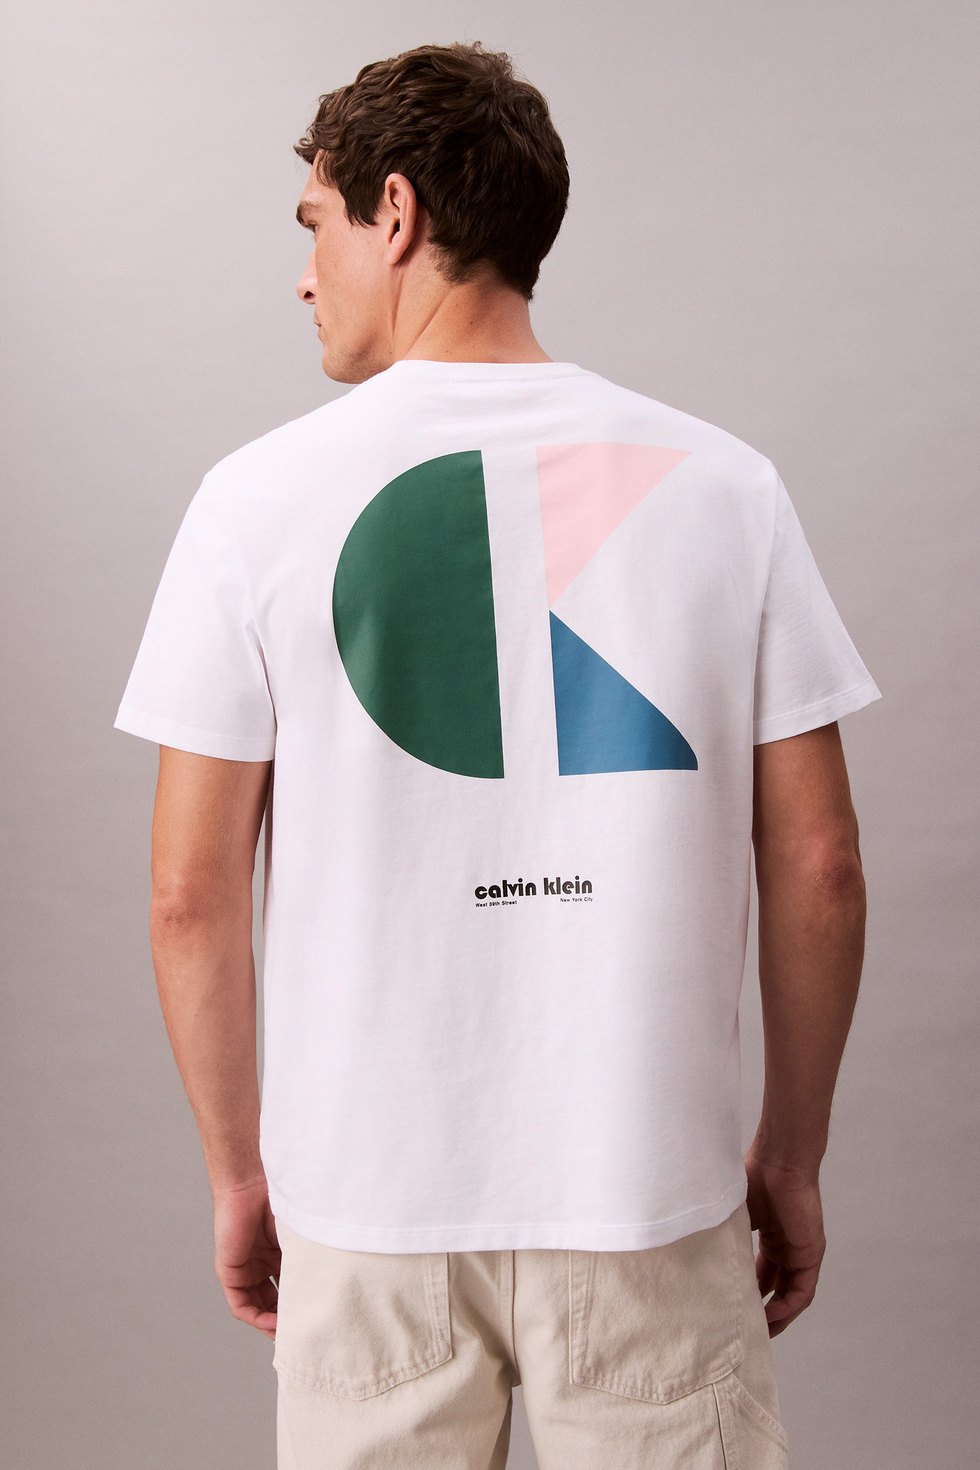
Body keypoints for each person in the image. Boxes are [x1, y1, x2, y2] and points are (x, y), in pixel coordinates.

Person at [114, 40, 880, 1470]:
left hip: (370, 1203)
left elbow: (187, 895)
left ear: (396, 213)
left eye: (317, 226)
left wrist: (238, 1170)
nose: (305, 277)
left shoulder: (252, 503)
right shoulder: (726, 489)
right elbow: (823, 863)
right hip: (648, 1192)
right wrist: (790, 1154)